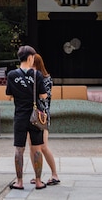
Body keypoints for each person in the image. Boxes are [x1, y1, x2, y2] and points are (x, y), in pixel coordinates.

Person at [6, 45, 47, 190]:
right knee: (37, 149)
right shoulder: (37, 75)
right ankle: (38, 181)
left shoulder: (11, 75)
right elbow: (43, 95)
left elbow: (9, 96)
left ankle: (19, 182)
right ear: (30, 57)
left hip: (20, 116)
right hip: (35, 117)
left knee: (19, 150)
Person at [30, 53, 60, 187]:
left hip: (42, 115)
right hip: (30, 114)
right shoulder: (31, 77)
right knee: (32, 147)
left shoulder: (45, 79)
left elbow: (44, 97)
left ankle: (54, 174)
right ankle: (37, 175)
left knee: (43, 146)